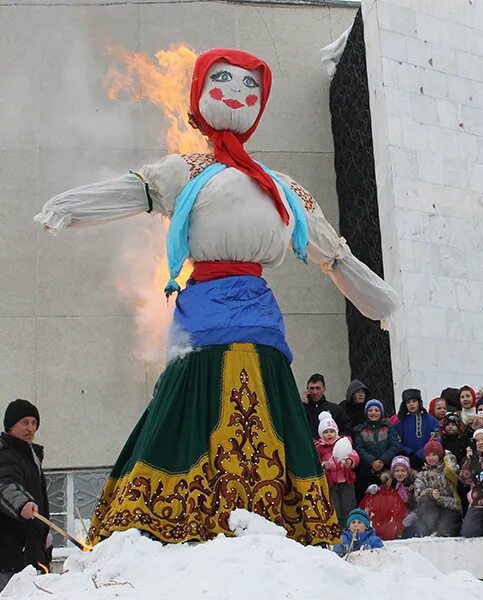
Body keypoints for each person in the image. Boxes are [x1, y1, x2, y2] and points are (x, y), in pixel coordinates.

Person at [36, 50, 399, 546]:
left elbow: (332, 253)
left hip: (256, 317)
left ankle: (273, 525)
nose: (236, 92)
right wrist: (69, 207)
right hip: (202, 315)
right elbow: (132, 191)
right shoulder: (185, 169)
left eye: (250, 86)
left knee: (256, 411)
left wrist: (378, 302)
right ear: (201, 94)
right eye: (222, 80)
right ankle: (177, 518)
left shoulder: (283, 188)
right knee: (190, 406)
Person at [0, 400, 50, 591]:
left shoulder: (30, 457)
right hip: (8, 555)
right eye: (24, 422)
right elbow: (5, 486)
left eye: (34, 423)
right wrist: (23, 504)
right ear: (11, 426)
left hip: (29, 552)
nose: (30, 428)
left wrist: (43, 533)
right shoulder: (5, 455)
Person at [403, 440, 461, 537]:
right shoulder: (422, 475)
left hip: (449, 508)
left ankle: (420, 517)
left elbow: (453, 469)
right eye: (428, 455)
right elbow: (418, 495)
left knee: (445, 529)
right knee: (424, 500)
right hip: (431, 511)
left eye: (434, 454)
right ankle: (426, 524)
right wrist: (431, 494)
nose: (431, 458)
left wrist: (448, 455)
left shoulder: (448, 472)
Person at [314, 412, 359, 528]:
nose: (329, 434)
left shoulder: (343, 443)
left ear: (336, 431)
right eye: (326, 432)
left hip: (346, 481)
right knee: (335, 507)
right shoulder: (319, 448)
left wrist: (350, 462)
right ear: (321, 434)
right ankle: (337, 529)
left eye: (331, 431)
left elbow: (354, 455)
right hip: (331, 483)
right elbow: (316, 463)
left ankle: (350, 527)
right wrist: (324, 466)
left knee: (348, 505)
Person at [353, 399, 401, 501]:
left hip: (387, 470)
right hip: (367, 471)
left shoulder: (388, 427)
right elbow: (359, 448)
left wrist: (382, 460)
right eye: (370, 410)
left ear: (381, 412)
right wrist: (372, 461)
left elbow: (394, 446)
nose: (373, 413)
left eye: (376, 410)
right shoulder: (359, 430)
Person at [394, 388, 440, 469]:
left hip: (429, 460)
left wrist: (421, 453)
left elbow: (436, 439)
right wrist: (409, 453)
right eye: (408, 402)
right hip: (407, 461)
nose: (411, 404)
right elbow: (397, 442)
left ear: (419, 402)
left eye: (414, 401)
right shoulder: (400, 423)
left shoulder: (431, 421)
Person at [305, 374, 353, 440]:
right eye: (312, 388)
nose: (315, 392)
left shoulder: (336, 409)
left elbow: (347, 430)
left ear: (324, 389)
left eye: (318, 388)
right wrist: (304, 405)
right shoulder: (301, 410)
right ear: (307, 390)